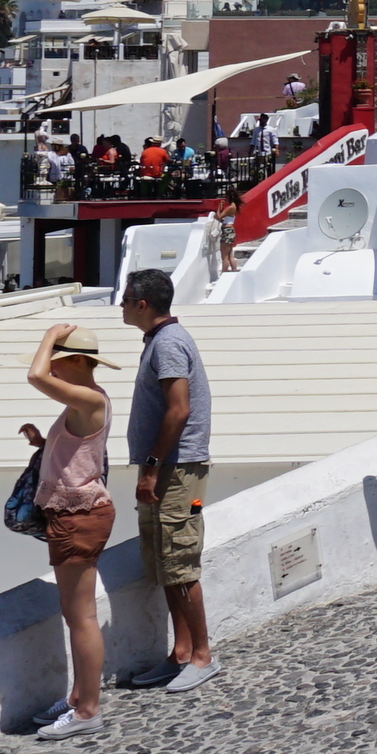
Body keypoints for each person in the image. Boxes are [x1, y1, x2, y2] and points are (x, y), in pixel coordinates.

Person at [120, 268, 216, 692]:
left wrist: (155, 465)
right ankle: (181, 653)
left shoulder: (170, 344)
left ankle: (202, 656)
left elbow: (179, 409)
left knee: (180, 562)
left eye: (125, 299)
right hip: (163, 469)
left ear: (142, 304)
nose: (121, 305)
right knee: (164, 563)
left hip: (176, 470)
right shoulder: (159, 342)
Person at [22, 326, 114, 740]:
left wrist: (48, 337)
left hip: (78, 514)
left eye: (57, 356)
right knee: (75, 614)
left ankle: (88, 710)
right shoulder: (84, 400)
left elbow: (36, 377)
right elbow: (76, 451)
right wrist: (43, 441)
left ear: (76, 361)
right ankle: (79, 696)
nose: (51, 364)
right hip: (71, 513)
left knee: (82, 617)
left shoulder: (90, 397)